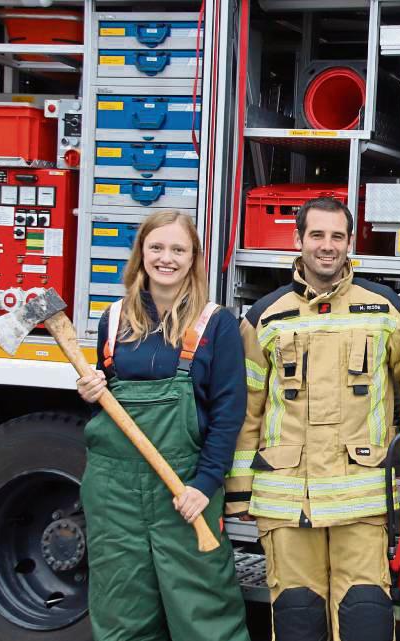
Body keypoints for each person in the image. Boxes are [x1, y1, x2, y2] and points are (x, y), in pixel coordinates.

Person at [225, 197, 400, 641]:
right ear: (298, 240)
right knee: (297, 618)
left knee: (366, 618)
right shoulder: (265, 316)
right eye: (317, 235)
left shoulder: (381, 307)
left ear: (350, 243)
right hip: (288, 505)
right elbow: (246, 409)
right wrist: (239, 493)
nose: (327, 246)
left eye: (337, 236)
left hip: (361, 501)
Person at [76, 210, 250, 641]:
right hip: (114, 492)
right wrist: (91, 389)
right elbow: (106, 409)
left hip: (184, 490)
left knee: (204, 615)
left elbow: (229, 415)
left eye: (178, 249)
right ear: (141, 255)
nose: (166, 258)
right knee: (122, 614)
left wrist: (205, 484)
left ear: (193, 259)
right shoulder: (114, 319)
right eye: (156, 247)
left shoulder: (217, 324)